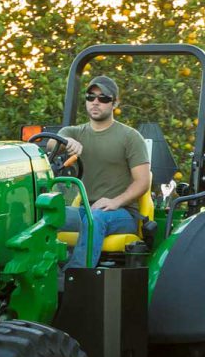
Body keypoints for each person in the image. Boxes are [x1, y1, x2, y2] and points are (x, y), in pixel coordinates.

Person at [58, 75, 151, 269]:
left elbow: (142, 182)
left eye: (103, 98)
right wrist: (66, 142)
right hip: (85, 210)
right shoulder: (74, 133)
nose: (95, 102)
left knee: (96, 218)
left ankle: (75, 277)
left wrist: (115, 201)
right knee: (45, 215)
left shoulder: (130, 137)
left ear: (115, 102)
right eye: (91, 97)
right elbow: (53, 142)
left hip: (122, 213)